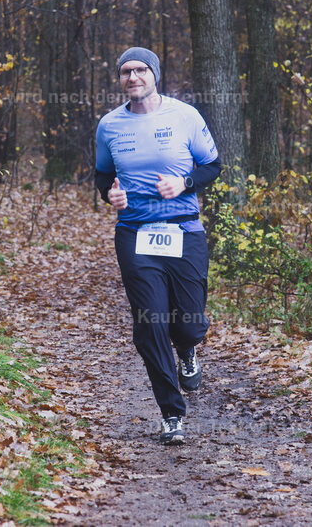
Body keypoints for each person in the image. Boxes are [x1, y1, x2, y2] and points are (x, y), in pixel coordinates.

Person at [94, 46, 222, 445]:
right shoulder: (109, 125)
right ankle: (171, 414)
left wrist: (183, 183)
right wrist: (109, 196)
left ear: (155, 75)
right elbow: (103, 176)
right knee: (150, 324)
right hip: (135, 234)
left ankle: (187, 349)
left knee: (190, 322)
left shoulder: (185, 116)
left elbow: (212, 166)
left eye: (140, 70)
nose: (132, 77)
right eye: (125, 72)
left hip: (184, 230)